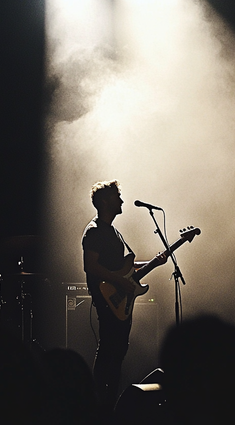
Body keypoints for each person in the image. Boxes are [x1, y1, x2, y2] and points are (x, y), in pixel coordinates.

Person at [81, 179, 167, 417]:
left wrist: (153, 262)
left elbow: (123, 267)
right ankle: (100, 405)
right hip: (107, 297)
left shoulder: (112, 231)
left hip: (118, 298)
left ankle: (108, 405)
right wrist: (118, 281)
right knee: (109, 348)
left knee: (117, 349)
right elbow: (90, 266)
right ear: (106, 201)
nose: (121, 201)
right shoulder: (95, 231)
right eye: (117, 197)